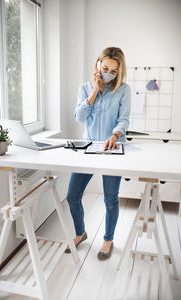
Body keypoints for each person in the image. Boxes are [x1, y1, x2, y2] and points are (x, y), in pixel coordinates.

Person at [65, 47, 131, 260]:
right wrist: (95, 90)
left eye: (113, 71)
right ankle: (80, 232)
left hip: (112, 149)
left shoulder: (124, 90)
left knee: (110, 200)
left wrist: (115, 135)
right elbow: (80, 116)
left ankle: (108, 239)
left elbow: (124, 119)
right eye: (105, 68)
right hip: (88, 150)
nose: (108, 74)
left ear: (119, 71)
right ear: (97, 65)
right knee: (72, 196)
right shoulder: (85, 88)